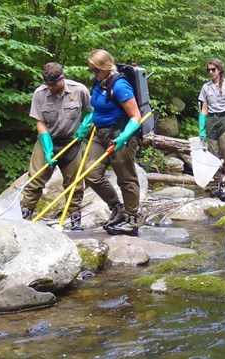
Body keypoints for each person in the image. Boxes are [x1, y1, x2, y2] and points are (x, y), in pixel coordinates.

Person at [21, 62, 92, 230]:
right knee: (35, 180)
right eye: (48, 84)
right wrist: (47, 148)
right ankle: (25, 216)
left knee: (74, 184)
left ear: (62, 78)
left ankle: (75, 221)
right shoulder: (40, 94)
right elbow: (40, 123)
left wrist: (84, 126)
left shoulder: (79, 90)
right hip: (48, 139)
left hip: (71, 142)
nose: (51, 87)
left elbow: (92, 111)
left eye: (54, 83)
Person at [79, 49, 143, 236]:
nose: (93, 73)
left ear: (106, 67)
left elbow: (136, 116)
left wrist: (123, 137)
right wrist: (87, 122)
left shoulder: (120, 86)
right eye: (91, 70)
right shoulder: (98, 82)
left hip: (121, 134)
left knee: (126, 177)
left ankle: (132, 216)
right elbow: (97, 108)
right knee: (91, 173)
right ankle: (117, 208)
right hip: (99, 134)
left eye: (96, 70)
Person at [198, 58, 225, 202]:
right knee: (213, 154)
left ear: (219, 70)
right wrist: (201, 127)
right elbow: (204, 108)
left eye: (213, 69)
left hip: (224, 120)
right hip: (211, 120)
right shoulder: (206, 87)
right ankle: (217, 184)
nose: (211, 72)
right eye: (209, 70)